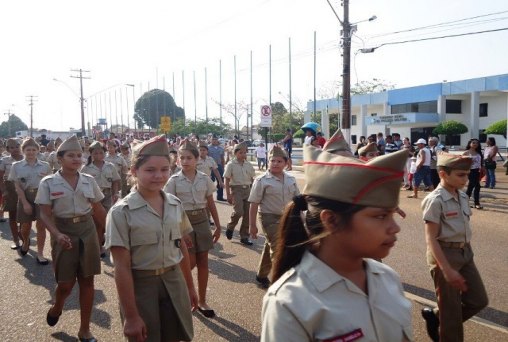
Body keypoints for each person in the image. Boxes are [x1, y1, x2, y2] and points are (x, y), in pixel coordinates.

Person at [260, 145, 412, 341]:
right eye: (380, 216)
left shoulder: (387, 278)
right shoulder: (290, 302)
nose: (394, 228)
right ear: (331, 221)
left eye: (391, 215)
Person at [105, 135, 197, 342]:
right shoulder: (121, 212)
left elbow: (181, 247)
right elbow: (121, 267)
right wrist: (130, 316)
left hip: (174, 281)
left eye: (164, 169)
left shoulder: (174, 204)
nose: (158, 176)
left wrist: (190, 287)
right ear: (134, 171)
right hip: (141, 286)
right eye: (150, 170)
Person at [35, 135, 107, 341]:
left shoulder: (89, 180)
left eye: (79, 155)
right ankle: (57, 307)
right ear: (60, 158)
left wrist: (111, 230)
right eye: (71, 155)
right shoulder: (48, 182)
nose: (76, 159)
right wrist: (57, 235)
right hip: (62, 230)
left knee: (87, 280)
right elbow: (45, 214)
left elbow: (97, 207)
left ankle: (85, 329)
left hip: (87, 229)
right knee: (65, 284)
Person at [420, 152, 488, 342]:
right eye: (460, 175)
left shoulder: (462, 196)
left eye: (467, 174)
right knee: (451, 315)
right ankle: (445, 323)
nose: (466, 179)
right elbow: (430, 238)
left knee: (479, 301)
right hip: (444, 254)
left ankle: (436, 316)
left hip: (465, 252)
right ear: (443, 174)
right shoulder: (435, 200)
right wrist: (446, 269)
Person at [164, 140, 221, 318]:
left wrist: (218, 225)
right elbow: (169, 206)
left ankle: (202, 300)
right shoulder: (173, 181)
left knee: (204, 261)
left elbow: (210, 203)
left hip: (202, 221)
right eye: (182, 158)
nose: (185, 161)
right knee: (189, 262)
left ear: (197, 159)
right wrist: (180, 230)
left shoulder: (204, 178)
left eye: (189, 157)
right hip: (183, 221)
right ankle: (182, 295)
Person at [248, 146, 299, 288]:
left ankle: (261, 274)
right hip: (268, 218)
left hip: (287, 218)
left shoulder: (291, 179)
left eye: (279, 161)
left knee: (269, 245)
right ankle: (281, 284)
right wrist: (252, 226)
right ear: (268, 161)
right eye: (272, 161)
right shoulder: (261, 180)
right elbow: (253, 204)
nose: (275, 163)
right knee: (278, 250)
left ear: (286, 163)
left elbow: (297, 201)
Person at [9, 138, 52, 264]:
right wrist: (25, 203)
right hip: (25, 196)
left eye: (34, 149)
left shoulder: (45, 165)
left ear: (38, 150)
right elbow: (17, 186)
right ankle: (26, 241)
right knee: (25, 226)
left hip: (42, 197)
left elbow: (50, 184)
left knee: (41, 226)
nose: (31, 152)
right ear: (23, 150)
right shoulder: (16, 166)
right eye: (28, 150)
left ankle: (40, 253)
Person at [81, 141, 121, 257]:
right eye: (95, 153)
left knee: (105, 222)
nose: (99, 155)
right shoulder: (86, 168)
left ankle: (100, 241)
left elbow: (115, 181)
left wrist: (115, 193)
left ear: (105, 153)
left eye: (101, 152)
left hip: (107, 196)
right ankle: (98, 246)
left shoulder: (110, 166)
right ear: (91, 154)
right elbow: (81, 184)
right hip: (93, 198)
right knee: (96, 223)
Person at [224, 141, 256, 245]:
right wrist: (228, 194)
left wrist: (255, 192)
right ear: (235, 153)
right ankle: (230, 226)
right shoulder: (231, 164)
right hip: (236, 190)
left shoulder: (248, 164)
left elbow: (252, 178)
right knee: (238, 212)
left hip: (248, 190)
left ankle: (244, 236)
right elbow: (227, 179)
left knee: (247, 214)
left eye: (244, 152)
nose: (243, 155)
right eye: (240, 153)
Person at [0, 138, 24, 249]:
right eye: (12, 147)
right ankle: (15, 240)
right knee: (12, 215)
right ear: (8, 149)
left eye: (17, 146)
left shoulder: (26, 159)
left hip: (25, 188)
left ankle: (24, 236)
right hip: (10, 188)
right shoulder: (4, 160)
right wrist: (4, 191)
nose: (15, 149)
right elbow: (0, 178)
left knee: (25, 216)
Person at [463, 139, 484, 209]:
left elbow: (481, 162)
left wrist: (482, 168)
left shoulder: (478, 152)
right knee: (477, 186)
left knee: (470, 187)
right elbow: (461, 162)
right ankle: (477, 203)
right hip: (470, 171)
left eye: (477, 143)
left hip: (478, 171)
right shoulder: (466, 152)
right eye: (473, 143)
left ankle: (464, 202)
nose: (475, 144)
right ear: (470, 144)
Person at [208, 135, 226, 201]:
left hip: (219, 166)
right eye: (213, 139)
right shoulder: (208, 148)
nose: (214, 140)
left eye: (215, 139)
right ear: (210, 140)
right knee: (210, 181)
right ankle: (209, 197)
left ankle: (220, 196)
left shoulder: (220, 148)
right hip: (210, 167)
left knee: (220, 180)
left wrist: (223, 167)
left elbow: (222, 158)